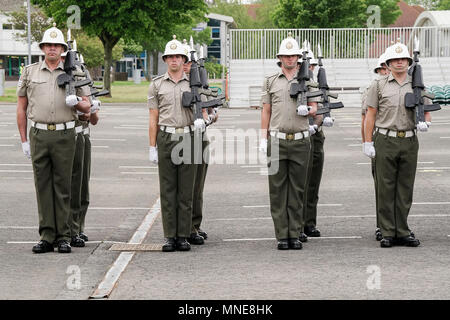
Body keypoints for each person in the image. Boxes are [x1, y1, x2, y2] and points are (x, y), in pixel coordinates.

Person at [16, 23, 91, 254]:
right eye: (48, 45)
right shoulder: (29, 72)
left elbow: (88, 107)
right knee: (43, 186)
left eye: (56, 45)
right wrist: (24, 140)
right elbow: (21, 107)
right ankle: (47, 235)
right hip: (38, 133)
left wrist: (76, 103)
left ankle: (64, 236)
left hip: (65, 132)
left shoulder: (74, 72)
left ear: (62, 49)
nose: (52, 49)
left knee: (64, 186)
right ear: (42, 48)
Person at [363, 41, 430, 248]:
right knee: (385, 186)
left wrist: (426, 121)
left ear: (409, 62)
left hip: (409, 139)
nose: (399, 62)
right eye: (395, 60)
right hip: (385, 138)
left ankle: (402, 230)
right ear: (388, 63)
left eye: (403, 59)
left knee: (405, 187)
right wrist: (367, 142)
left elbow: (427, 107)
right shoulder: (379, 85)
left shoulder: (417, 85)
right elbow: (370, 115)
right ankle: (386, 231)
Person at [260, 34, 320, 250]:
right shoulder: (270, 81)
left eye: (293, 55)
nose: (290, 59)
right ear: (279, 57)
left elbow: (317, 109)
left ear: (298, 58)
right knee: (277, 190)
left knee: (297, 190)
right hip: (276, 140)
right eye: (286, 55)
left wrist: (310, 110)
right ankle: (281, 235)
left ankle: (294, 234)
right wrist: (262, 137)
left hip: (300, 140)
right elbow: (266, 111)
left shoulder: (308, 81)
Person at [148, 35, 206, 252]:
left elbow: (205, 111)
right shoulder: (156, 85)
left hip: (188, 136)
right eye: (170, 57)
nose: (174, 60)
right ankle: (170, 235)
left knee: (186, 190)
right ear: (165, 60)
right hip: (166, 137)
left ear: (184, 60)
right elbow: (153, 118)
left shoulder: (194, 83)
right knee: (168, 189)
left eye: (178, 57)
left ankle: (183, 234)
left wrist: (204, 119)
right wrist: (152, 146)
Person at [361, 53, 390, 241]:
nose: (385, 72)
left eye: (387, 68)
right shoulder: (373, 89)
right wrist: (366, 142)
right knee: (383, 186)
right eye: (382, 69)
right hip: (380, 139)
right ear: (379, 71)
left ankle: (396, 225)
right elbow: (366, 118)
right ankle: (382, 224)